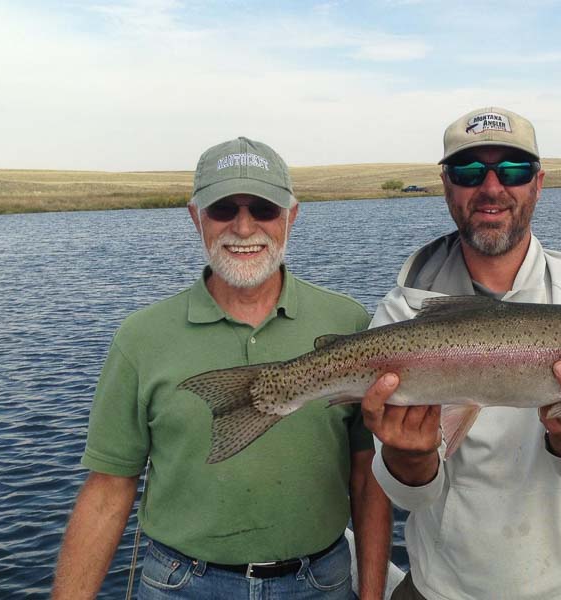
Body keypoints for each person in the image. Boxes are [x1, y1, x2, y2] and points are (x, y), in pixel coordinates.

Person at [52, 137, 392, 599]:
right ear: (196, 217)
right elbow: (109, 489)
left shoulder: (348, 321)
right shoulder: (140, 337)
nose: (244, 227)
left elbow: (367, 472)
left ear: (292, 216)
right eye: (223, 209)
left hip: (321, 582)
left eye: (264, 209)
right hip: (180, 584)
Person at [360, 108, 561, 600]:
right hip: (442, 589)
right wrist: (410, 456)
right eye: (470, 172)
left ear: (538, 183)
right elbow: (409, 494)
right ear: (446, 185)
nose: (492, 187)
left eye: (513, 169)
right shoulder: (402, 311)